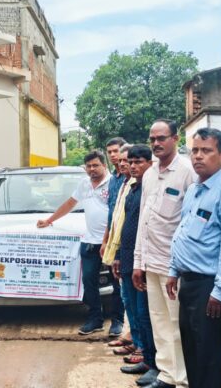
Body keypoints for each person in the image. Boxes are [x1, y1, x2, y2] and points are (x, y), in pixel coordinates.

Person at [166, 127, 221, 388]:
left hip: (210, 288)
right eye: (195, 150)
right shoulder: (194, 190)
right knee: (192, 353)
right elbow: (183, 232)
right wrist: (174, 270)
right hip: (189, 284)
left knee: (208, 357)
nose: (198, 156)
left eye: (206, 151)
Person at [133, 120, 195, 388]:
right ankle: (167, 375)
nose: (156, 143)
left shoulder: (187, 172)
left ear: (175, 139)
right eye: (152, 139)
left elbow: (191, 222)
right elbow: (143, 222)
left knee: (177, 323)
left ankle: (181, 380)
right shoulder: (149, 173)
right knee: (159, 322)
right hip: (151, 261)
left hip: (174, 265)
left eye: (162, 138)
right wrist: (138, 262)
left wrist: (179, 266)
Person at [37, 150, 110, 335]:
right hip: (90, 241)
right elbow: (70, 203)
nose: (92, 169)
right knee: (88, 280)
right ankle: (95, 319)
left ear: (104, 165)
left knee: (116, 285)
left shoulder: (114, 182)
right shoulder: (84, 183)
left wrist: (107, 239)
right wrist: (50, 220)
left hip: (110, 242)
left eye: (96, 165)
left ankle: (117, 321)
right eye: (89, 166)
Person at [113, 145, 157, 377]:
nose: (132, 166)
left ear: (150, 163)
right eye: (130, 162)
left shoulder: (150, 189)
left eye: (138, 162)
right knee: (134, 308)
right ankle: (144, 353)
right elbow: (124, 225)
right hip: (129, 257)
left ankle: (151, 359)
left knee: (145, 313)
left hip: (145, 260)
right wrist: (119, 255)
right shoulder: (133, 188)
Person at [103, 145, 137, 355]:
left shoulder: (136, 184)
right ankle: (130, 336)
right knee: (127, 298)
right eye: (124, 161)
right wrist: (107, 241)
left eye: (129, 160)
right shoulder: (119, 181)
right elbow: (114, 215)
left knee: (134, 301)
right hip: (118, 246)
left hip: (131, 251)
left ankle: (139, 344)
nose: (125, 164)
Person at [102, 137, 127, 337]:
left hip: (128, 239)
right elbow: (111, 214)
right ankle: (117, 321)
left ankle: (121, 322)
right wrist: (105, 240)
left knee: (125, 284)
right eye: (109, 152)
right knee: (115, 280)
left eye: (115, 151)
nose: (113, 155)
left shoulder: (133, 178)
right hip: (113, 237)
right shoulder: (113, 179)